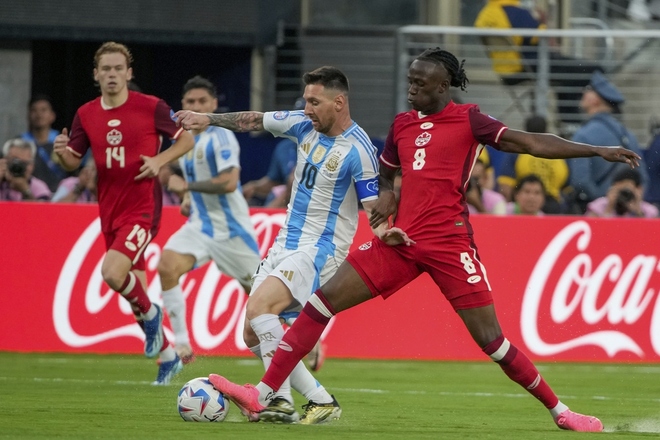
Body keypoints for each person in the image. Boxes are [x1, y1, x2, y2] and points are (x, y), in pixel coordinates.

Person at [203, 48, 640, 432]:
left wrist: (593, 149)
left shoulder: (470, 120)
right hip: (402, 243)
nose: (411, 88)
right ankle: (263, 393)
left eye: (419, 82)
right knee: (319, 303)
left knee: (493, 342)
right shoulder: (402, 125)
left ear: (443, 85)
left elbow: (529, 143)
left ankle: (561, 411)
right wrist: (387, 205)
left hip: (451, 246)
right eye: (409, 80)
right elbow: (389, 175)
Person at [175, 65, 381, 424]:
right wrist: (207, 118)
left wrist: (389, 233)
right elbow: (253, 120)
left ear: (339, 102)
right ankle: (299, 401)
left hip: (320, 248)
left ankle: (286, 398)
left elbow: (373, 208)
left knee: (260, 307)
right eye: (306, 101)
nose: (308, 108)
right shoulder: (303, 123)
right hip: (286, 241)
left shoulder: (359, 150)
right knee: (251, 331)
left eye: (315, 102)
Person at [52, 41, 195, 385]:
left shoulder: (151, 106)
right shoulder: (86, 113)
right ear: (96, 75)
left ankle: (153, 317)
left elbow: (186, 140)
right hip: (109, 208)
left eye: (119, 69)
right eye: (106, 69)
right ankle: (168, 356)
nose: (112, 74)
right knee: (136, 291)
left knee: (113, 274)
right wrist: (60, 153)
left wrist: (159, 161)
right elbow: (73, 159)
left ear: (129, 74)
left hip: (143, 206)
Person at [156, 75, 261, 364]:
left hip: (231, 229)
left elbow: (229, 182)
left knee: (263, 301)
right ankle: (182, 345)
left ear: (214, 105)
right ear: (183, 106)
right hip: (200, 225)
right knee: (167, 266)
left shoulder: (222, 135)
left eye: (203, 101)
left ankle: (307, 345)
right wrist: (191, 199)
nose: (196, 106)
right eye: (191, 102)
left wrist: (186, 188)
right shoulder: (186, 140)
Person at [474, 0, 601, 125]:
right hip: (528, 66)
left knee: (567, 72)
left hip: (506, 70)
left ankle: (568, 121)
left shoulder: (485, 14)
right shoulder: (516, 12)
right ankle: (570, 121)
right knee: (590, 69)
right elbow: (543, 36)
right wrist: (543, 20)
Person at [567, 71, 648, 213]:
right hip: (628, 212)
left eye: (587, 89)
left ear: (595, 100)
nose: (583, 93)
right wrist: (623, 204)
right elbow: (642, 179)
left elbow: (580, 181)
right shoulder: (628, 135)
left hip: (595, 213)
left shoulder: (582, 135)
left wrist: (604, 203)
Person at [497, 115, 568, 214]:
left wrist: (510, 208)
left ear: (524, 132)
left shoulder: (517, 152)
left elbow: (506, 186)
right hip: (554, 206)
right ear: (546, 131)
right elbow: (566, 185)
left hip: (524, 205)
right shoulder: (557, 153)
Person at [242, 98, 304, 207]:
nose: (303, 123)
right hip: (286, 200)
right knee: (275, 193)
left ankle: (266, 216)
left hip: (312, 201)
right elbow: (275, 180)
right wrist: (255, 186)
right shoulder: (284, 147)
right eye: (300, 118)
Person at [20, 95, 69, 193]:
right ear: (28, 115)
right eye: (34, 110)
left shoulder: (61, 142)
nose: (39, 115)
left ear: (52, 116)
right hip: (30, 196)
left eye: (43, 110)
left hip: (59, 197)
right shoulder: (20, 143)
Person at [586, 168, 658, 218]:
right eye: (622, 191)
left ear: (639, 189)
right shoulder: (599, 206)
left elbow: (651, 234)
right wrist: (609, 208)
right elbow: (591, 228)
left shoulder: (649, 211)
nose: (624, 196)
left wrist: (638, 211)